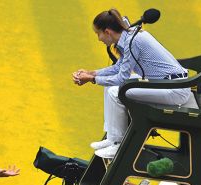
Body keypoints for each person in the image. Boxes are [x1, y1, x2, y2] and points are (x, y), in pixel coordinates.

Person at [72, 9, 193, 158]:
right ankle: (112, 138)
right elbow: (118, 67)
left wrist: (91, 79)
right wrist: (92, 73)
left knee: (116, 91)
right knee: (110, 87)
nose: (99, 39)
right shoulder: (130, 36)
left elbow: (122, 79)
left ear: (108, 32)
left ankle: (118, 144)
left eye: (99, 34)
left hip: (175, 90)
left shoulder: (131, 41)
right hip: (166, 84)